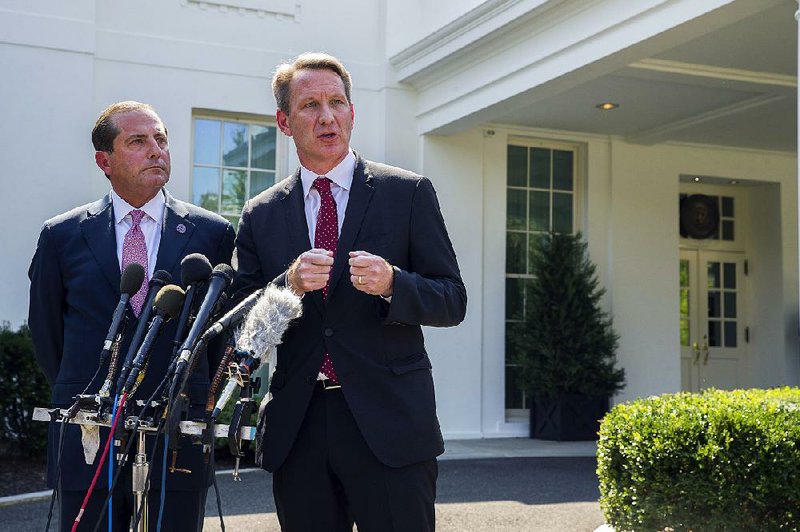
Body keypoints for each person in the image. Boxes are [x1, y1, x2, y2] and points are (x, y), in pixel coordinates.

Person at [233, 52, 467, 531]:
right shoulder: (261, 213)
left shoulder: (407, 193)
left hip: (390, 423)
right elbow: (244, 329)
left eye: (337, 102)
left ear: (352, 113)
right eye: (310, 105)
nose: (327, 117)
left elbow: (451, 299)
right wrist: (287, 286)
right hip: (299, 427)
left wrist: (393, 284)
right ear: (284, 121)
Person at [28, 101, 235, 531]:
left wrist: (192, 394)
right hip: (87, 428)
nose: (156, 150)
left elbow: (217, 337)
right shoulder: (62, 235)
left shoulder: (212, 234)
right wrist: (86, 385)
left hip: (177, 431)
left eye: (161, 139)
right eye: (138, 141)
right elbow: (47, 331)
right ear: (105, 161)